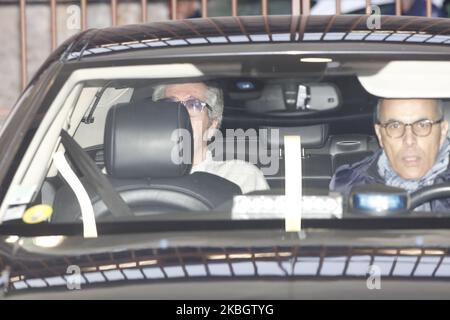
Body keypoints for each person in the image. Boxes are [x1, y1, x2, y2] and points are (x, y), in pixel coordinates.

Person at [330, 98, 450, 211]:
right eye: (395, 126)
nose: (409, 140)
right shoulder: (347, 186)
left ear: (443, 131)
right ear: (380, 135)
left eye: (423, 125)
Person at [152, 82, 269, 194]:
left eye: (193, 104)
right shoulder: (136, 176)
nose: (179, 113)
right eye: (169, 103)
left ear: (212, 127)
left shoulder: (240, 177)